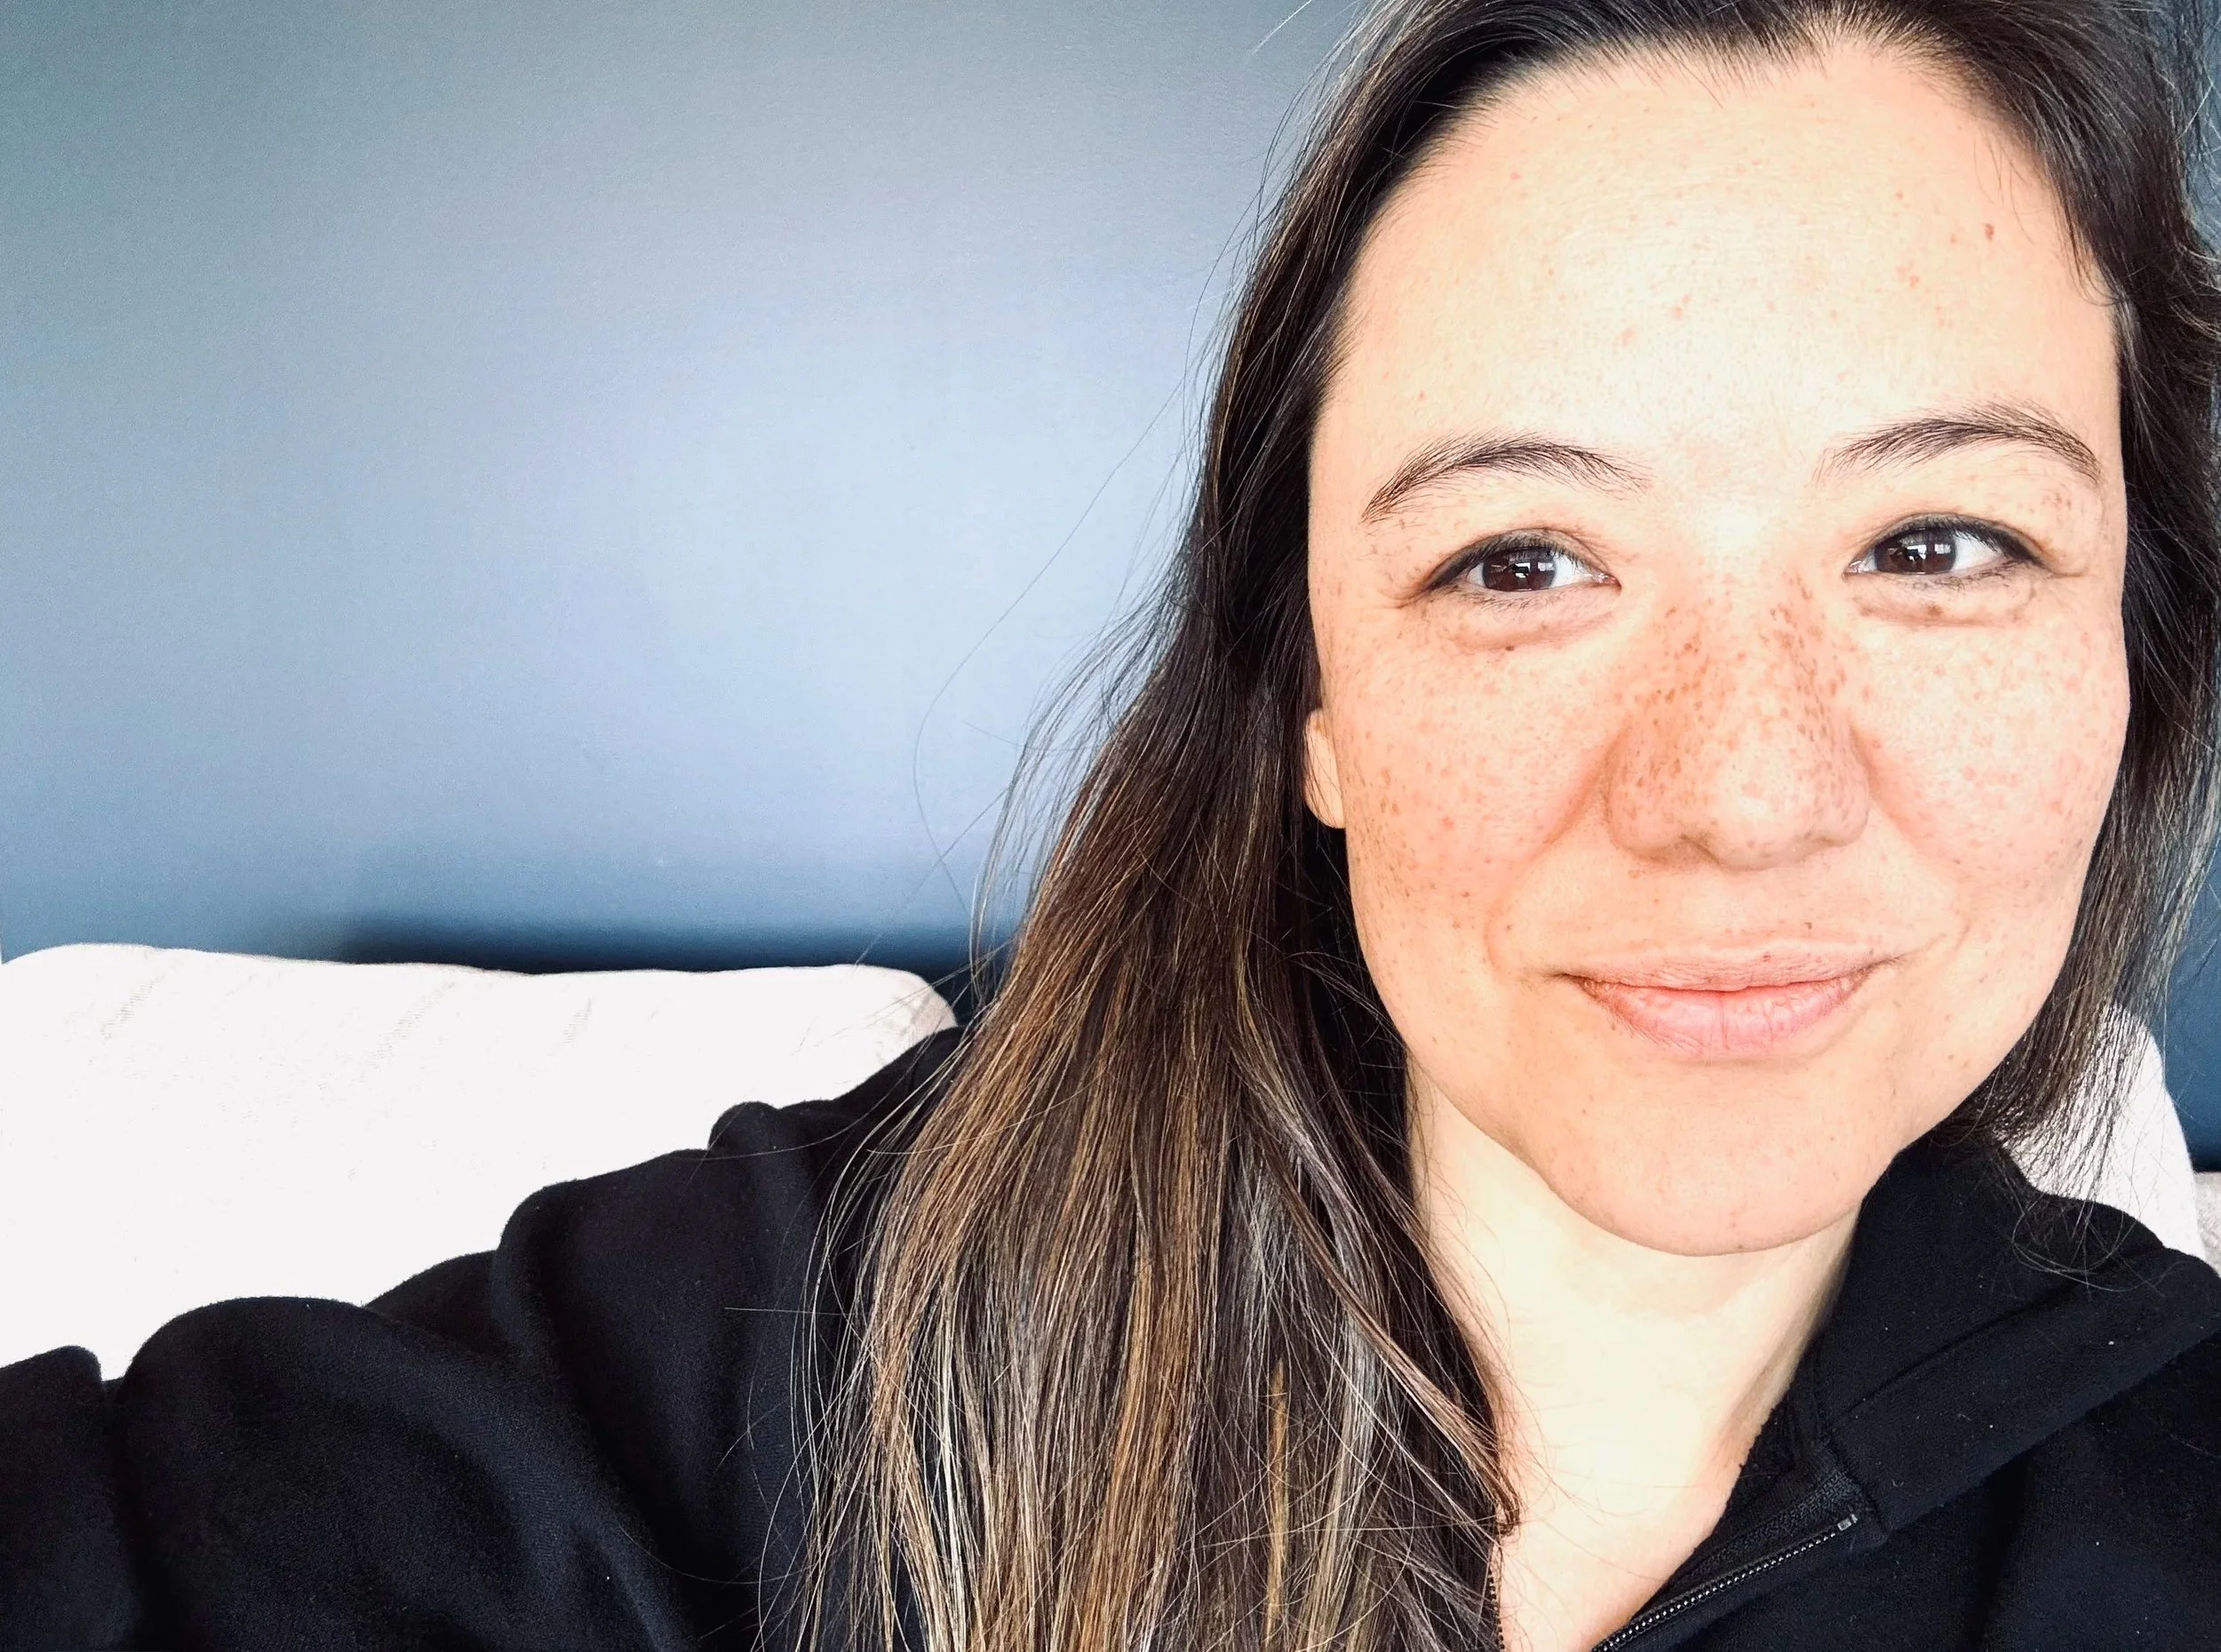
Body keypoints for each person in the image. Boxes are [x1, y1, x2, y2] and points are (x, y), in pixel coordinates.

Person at [7, 0, 2221, 1647]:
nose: (1737, 797)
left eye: (1936, 546)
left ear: (2133, 655)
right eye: (1519, 563)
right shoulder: (814, 1335)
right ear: (1311, 707)